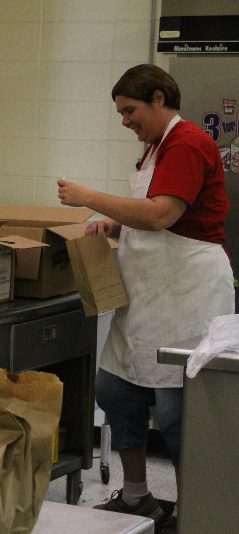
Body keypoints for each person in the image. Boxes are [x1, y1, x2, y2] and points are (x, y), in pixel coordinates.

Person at [57, 64, 234, 533]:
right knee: (116, 390)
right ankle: (137, 498)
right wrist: (114, 223)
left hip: (187, 294)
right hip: (148, 296)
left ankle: (198, 511)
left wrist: (91, 199)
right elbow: (154, 213)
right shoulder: (155, 147)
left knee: (180, 415)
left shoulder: (189, 142)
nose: (125, 121)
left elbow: (161, 215)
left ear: (159, 99)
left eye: (130, 110)